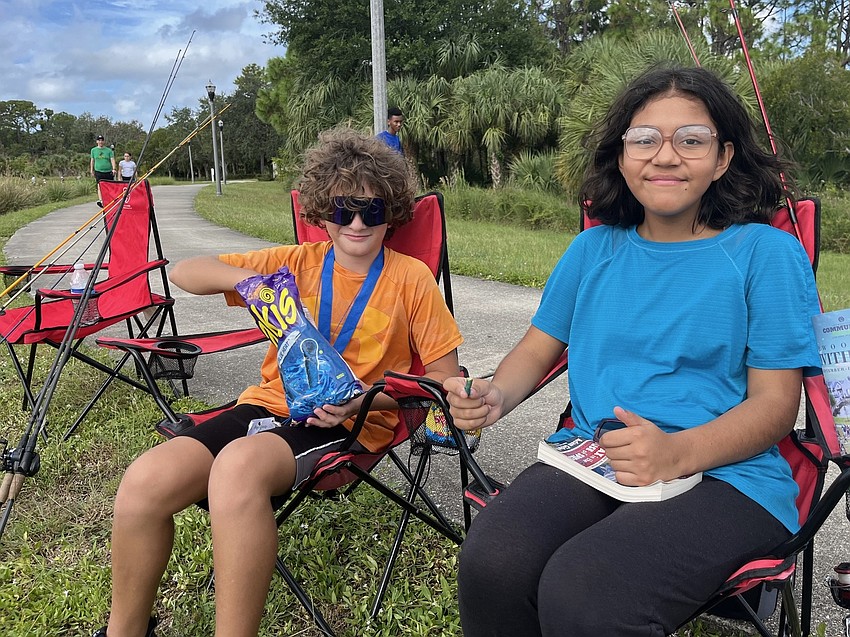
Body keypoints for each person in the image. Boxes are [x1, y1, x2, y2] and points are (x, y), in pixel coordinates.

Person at [443, 64, 821, 637]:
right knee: (493, 562)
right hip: (598, 458)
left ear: (722, 158)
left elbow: (775, 408)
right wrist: (494, 395)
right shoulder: (593, 250)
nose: (664, 156)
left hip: (728, 474)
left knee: (587, 592)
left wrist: (674, 454)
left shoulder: (764, 255)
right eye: (644, 138)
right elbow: (535, 352)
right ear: (621, 155)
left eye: (690, 139)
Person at [93, 127, 462, 637]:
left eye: (372, 211)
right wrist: (248, 284)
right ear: (321, 212)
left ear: (393, 214)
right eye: (343, 209)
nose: (357, 223)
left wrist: (363, 404)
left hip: (353, 420)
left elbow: (444, 379)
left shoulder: (410, 278)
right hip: (269, 404)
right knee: (142, 483)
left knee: (236, 469)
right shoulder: (295, 262)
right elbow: (185, 271)